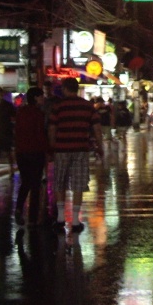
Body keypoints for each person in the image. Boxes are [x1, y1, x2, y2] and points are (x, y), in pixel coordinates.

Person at [48, 77, 102, 235]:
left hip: (61, 149)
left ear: (65, 89)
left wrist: (52, 146)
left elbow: (52, 129)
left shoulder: (58, 106)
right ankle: (76, 221)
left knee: (60, 181)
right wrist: (100, 146)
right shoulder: (88, 106)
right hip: (81, 149)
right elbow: (97, 129)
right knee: (78, 183)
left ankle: (60, 218)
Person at [13, 87, 48, 226]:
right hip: (35, 151)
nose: (43, 98)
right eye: (41, 96)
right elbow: (40, 134)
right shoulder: (38, 113)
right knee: (35, 185)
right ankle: (32, 218)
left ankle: (19, 208)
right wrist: (47, 150)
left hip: (21, 151)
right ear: (35, 98)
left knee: (25, 181)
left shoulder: (20, 112)